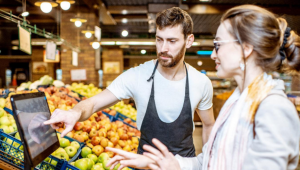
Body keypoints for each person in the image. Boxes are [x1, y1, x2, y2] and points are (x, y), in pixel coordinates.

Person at [106, 4, 300, 170]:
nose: (212, 55)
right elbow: (209, 161)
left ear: (246, 49)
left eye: (218, 45)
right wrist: (158, 162)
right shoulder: (239, 101)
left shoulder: (273, 109)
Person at [44, 7, 215, 158]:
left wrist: (208, 162)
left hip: (184, 165)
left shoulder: (200, 83)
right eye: (159, 39)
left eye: (172, 41)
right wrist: (75, 112)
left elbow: (208, 125)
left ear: (189, 40)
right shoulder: (137, 76)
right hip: (145, 164)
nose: (163, 48)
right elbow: (94, 103)